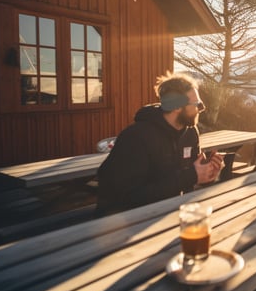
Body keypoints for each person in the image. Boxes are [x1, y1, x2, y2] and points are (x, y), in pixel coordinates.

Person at [96, 72, 224, 216]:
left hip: (168, 213)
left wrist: (207, 173)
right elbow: (126, 196)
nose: (201, 109)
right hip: (123, 221)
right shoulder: (135, 138)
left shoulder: (190, 132)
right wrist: (191, 176)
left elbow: (188, 177)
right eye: (197, 105)